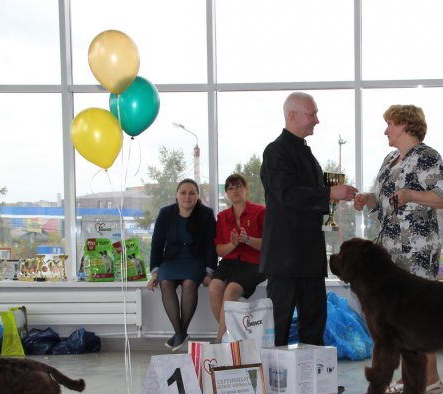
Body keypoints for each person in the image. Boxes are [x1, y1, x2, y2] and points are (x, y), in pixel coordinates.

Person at [353, 104, 443, 394]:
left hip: (417, 249)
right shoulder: (389, 159)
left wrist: (410, 194)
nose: (385, 130)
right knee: (399, 318)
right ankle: (423, 379)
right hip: (389, 252)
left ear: (405, 125)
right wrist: (368, 200)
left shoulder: (427, 157)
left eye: (389, 124)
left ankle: (427, 379)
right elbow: (386, 204)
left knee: (419, 316)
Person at [260, 91, 358, 349]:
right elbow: (286, 194)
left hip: (309, 252)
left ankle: (313, 381)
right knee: (279, 323)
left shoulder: (305, 152)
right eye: (312, 113)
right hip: (284, 256)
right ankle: (275, 382)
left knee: (315, 319)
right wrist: (329, 193)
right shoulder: (275, 151)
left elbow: (306, 198)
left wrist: (334, 197)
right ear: (292, 115)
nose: (317, 120)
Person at [147, 178, 218, 352]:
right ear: (176, 195)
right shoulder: (166, 213)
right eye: (183, 192)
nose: (187, 196)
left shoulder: (206, 214)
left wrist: (209, 271)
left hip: (195, 260)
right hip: (170, 260)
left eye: (192, 193)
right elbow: (157, 243)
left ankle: (180, 333)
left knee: (189, 283)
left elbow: (211, 244)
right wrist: (155, 271)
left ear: (197, 196)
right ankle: (180, 333)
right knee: (165, 283)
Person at [209, 173, 267, 341]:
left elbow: (269, 245)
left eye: (239, 186)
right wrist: (233, 244)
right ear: (227, 193)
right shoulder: (222, 217)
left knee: (231, 290)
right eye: (230, 188)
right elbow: (220, 250)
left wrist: (247, 240)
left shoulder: (260, 212)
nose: (235, 191)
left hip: (255, 263)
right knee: (214, 288)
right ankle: (230, 334)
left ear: (246, 189)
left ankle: (220, 339)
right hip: (229, 262)